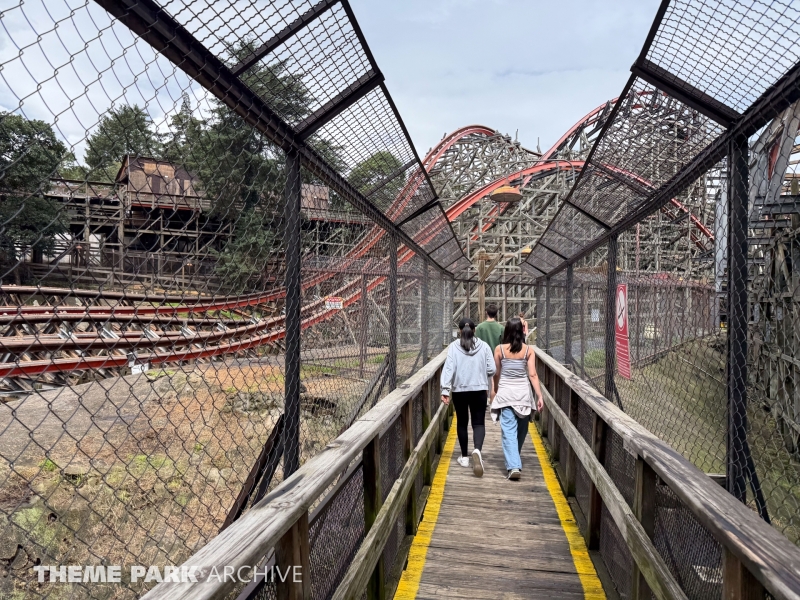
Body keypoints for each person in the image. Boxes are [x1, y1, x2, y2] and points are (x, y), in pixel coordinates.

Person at [441, 317, 496, 477]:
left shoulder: (453, 347)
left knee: (462, 423)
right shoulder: (484, 346)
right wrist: (482, 374)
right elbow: (492, 369)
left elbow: (449, 369)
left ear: (459, 331)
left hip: (460, 391)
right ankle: (477, 450)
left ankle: (464, 457)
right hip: (479, 389)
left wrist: (445, 390)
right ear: (474, 330)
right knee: (478, 423)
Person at [490, 317, 544, 480]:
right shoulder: (528, 350)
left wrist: (495, 389)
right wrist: (539, 396)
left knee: (509, 431)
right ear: (521, 331)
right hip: (523, 395)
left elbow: (496, 374)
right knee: (522, 430)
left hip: (506, 394)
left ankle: (513, 461)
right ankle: (514, 464)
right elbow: (532, 375)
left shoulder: (499, 349)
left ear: (506, 331)